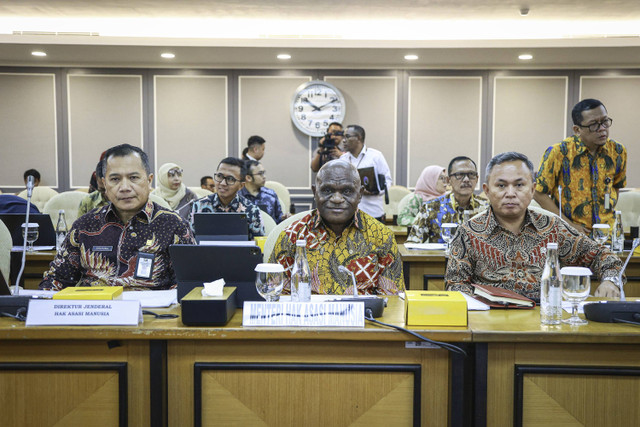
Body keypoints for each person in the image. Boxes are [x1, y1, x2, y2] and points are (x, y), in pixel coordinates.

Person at [446, 151, 622, 300]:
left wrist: (610, 281)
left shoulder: (554, 228)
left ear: (532, 189)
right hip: (490, 326)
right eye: (501, 185)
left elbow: (603, 256)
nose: (510, 193)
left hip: (546, 323)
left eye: (519, 185)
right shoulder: (468, 234)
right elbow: (455, 285)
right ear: (486, 190)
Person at [40, 143, 195, 291]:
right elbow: (57, 279)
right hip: (94, 312)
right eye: (115, 179)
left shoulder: (173, 225)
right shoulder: (85, 226)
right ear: (104, 184)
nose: (125, 187)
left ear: (149, 181)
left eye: (134, 178)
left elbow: (188, 283)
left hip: (152, 314)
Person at [270, 160, 404, 295]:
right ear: (315, 192)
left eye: (347, 191)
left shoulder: (381, 236)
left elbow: (392, 300)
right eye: (327, 190)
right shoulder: (292, 235)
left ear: (360, 194)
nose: (337, 199)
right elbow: (275, 296)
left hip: (364, 316)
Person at [534, 98, 627, 234]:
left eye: (605, 121)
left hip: (607, 233)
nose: (602, 129)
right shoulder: (558, 152)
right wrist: (568, 224)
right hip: (570, 233)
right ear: (577, 130)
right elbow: (538, 193)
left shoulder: (618, 151)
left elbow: (616, 186)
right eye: (593, 125)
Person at [407, 156, 488, 243]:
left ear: (477, 179)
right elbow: (412, 244)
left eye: (471, 174)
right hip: (440, 256)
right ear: (448, 180)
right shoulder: (431, 208)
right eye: (459, 175)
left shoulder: (487, 209)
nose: (466, 179)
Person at [190, 157, 264, 238]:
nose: (222, 183)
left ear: (241, 185)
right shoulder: (199, 206)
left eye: (230, 179)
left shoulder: (252, 210)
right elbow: (191, 243)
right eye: (219, 176)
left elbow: (257, 246)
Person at [339, 124, 392, 222]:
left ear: (358, 138)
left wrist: (375, 191)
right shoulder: (343, 159)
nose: (343, 140)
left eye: (347, 136)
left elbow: (387, 181)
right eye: (343, 136)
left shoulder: (376, 156)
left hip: (373, 213)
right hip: (349, 214)